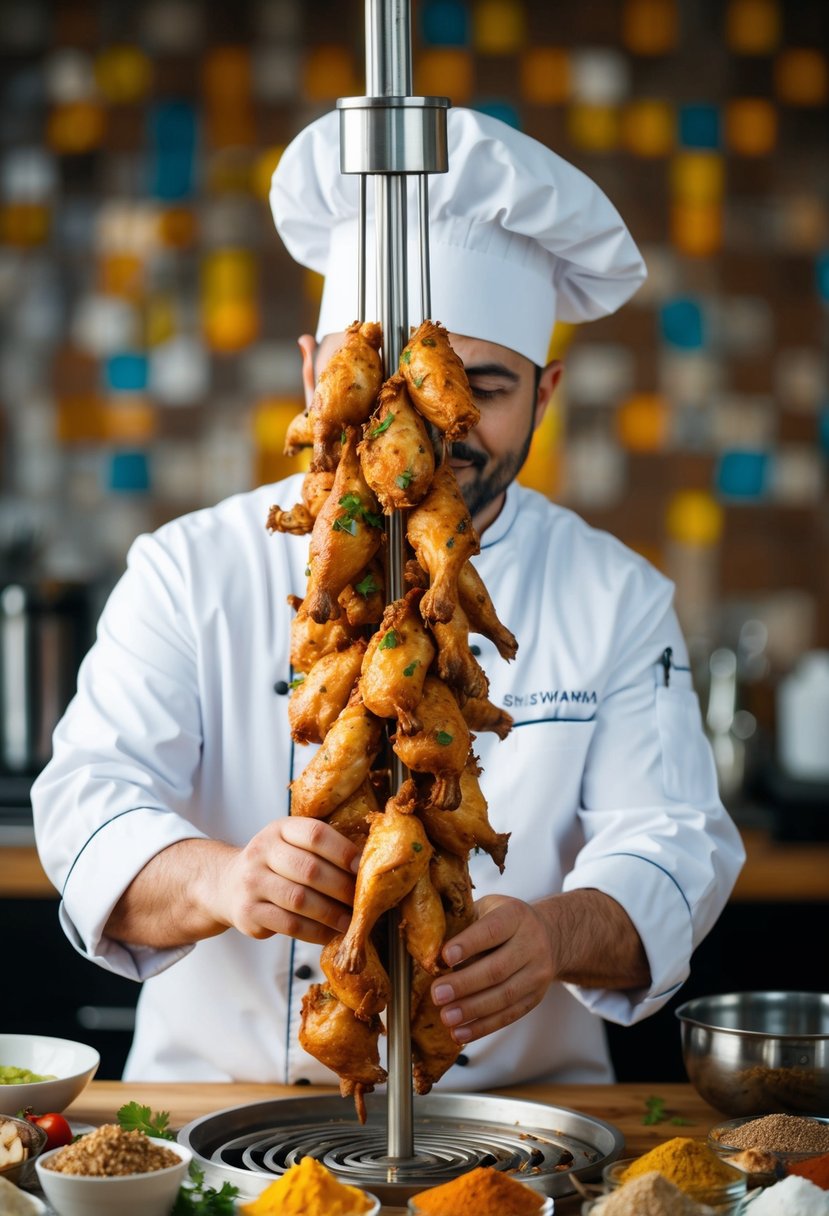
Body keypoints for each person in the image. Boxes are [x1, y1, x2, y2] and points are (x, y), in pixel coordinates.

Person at [32, 107, 744, 1087]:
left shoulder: (611, 594)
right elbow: (85, 806)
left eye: (481, 387)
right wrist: (223, 879)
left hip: (516, 1128)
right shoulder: (189, 568)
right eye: (374, 386)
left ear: (544, 396)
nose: (421, 426)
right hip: (208, 1121)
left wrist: (553, 934)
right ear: (316, 379)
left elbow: (675, 842)